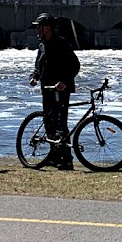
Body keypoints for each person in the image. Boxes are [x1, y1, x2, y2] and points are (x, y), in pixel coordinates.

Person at [29, 12, 81, 170]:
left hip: (61, 89)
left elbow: (75, 66)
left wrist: (64, 82)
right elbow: (39, 66)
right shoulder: (42, 45)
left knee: (61, 124)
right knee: (48, 123)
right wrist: (34, 77)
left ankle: (67, 159)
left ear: (48, 28)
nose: (37, 31)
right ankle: (53, 155)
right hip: (47, 89)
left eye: (39, 28)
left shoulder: (62, 44)